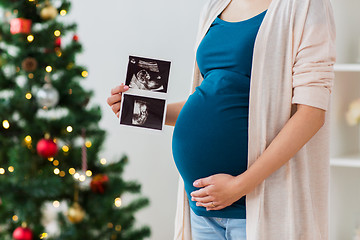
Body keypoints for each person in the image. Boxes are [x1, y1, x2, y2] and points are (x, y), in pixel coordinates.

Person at [107, 0, 336, 239]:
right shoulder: (215, 6)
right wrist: (142, 110)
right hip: (202, 209)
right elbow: (212, 95)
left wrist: (240, 186)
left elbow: (311, 114)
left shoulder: (305, 5)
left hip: (256, 208)